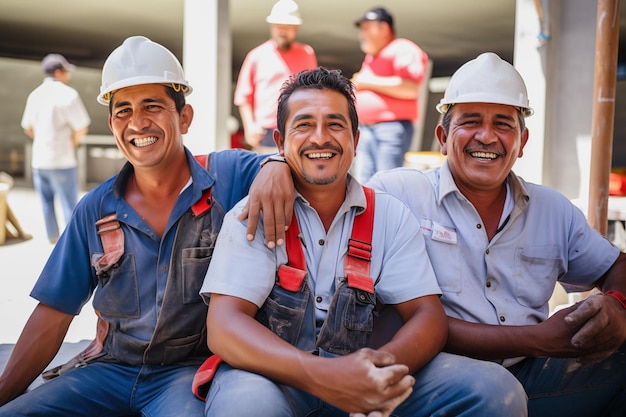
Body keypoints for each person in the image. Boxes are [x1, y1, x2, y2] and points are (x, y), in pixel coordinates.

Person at [199, 67, 527, 417]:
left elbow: (427, 316)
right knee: (246, 409)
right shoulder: (254, 213)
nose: (320, 138)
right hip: (271, 380)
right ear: (280, 143)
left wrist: (377, 373)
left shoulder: (389, 215)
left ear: (355, 139)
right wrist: (325, 376)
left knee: (494, 390)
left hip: (363, 376)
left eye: (336, 125)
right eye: (304, 125)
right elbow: (224, 326)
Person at [0, 35, 293, 416]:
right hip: (107, 369)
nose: (137, 123)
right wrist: (5, 392)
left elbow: (293, 161)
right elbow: (53, 314)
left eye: (152, 106)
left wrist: (277, 164)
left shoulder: (229, 176)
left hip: (184, 375)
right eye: (123, 111)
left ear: (184, 117)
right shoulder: (96, 208)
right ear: (111, 124)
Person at [367, 52, 626, 416]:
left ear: (522, 141)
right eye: (470, 121)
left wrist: (617, 304)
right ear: (442, 137)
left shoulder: (553, 208)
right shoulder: (397, 194)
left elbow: (616, 265)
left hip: (530, 376)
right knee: (494, 391)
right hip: (429, 380)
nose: (486, 137)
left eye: (503, 124)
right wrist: (539, 340)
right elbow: (408, 315)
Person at [350, 7, 429, 183]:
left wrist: (365, 81)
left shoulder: (403, 48)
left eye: (366, 28)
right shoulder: (372, 57)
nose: (361, 34)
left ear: (384, 28)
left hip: (390, 129)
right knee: (365, 184)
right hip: (366, 130)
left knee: (388, 183)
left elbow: (410, 88)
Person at [21, 53, 91, 244]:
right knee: (69, 203)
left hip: (39, 160)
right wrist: (72, 143)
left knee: (46, 202)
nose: (68, 74)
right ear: (59, 72)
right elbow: (82, 126)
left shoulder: (34, 95)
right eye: (66, 70)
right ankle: (71, 243)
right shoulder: (68, 94)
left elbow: (27, 127)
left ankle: (53, 239)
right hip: (62, 159)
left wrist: (43, 138)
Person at [233, 0, 317, 153]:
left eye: (288, 27)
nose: (283, 31)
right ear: (272, 26)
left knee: (297, 175)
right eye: (279, 26)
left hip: (299, 126)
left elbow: (315, 93)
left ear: (296, 28)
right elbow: (243, 97)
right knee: (267, 173)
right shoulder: (256, 55)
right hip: (265, 133)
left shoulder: (307, 53)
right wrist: (250, 126)